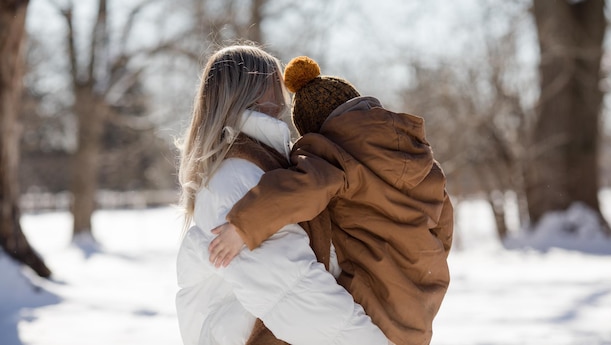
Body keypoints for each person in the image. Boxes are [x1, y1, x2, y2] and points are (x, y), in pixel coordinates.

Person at [209, 56, 454, 345]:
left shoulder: (335, 153)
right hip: (424, 294)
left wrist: (243, 225)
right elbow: (444, 224)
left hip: (375, 296)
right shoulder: (421, 159)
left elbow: (301, 187)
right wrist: (422, 258)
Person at [175, 45, 387, 345]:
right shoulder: (238, 175)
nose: (285, 93)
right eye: (275, 81)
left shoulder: (264, 162)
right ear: (253, 89)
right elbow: (292, 289)